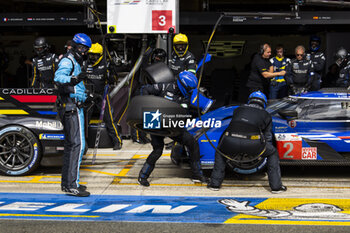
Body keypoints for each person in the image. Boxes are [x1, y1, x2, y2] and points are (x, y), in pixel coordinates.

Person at [138, 71, 208, 186]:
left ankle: (197, 174)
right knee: (157, 150)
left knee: (192, 143)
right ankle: (142, 176)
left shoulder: (187, 97)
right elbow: (144, 89)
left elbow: (186, 113)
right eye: (189, 88)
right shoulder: (164, 86)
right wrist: (149, 105)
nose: (191, 91)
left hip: (173, 124)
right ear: (183, 84)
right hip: (156, 121)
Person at [208, 91, 286, 194]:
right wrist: (265, 148)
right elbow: (268, 137)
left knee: (220, 152)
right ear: (264, 103)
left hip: (231, 141)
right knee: (272, 152)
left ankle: (215, 184)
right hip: (252, 144)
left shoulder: (238, 109)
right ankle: (276, 187)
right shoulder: (266, 115)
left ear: (250, 100)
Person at [54, 33, 92, 197]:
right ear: (75, 46)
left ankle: (69, 183)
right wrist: (76, 78)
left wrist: (87, 96)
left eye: (86, 49)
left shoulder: (75, 61)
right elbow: (59, 77)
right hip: (71, 108)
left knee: (72, 146)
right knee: (78, 145)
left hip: (74, 106)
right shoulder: (68, 60)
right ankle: (72, 185)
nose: (83, 52)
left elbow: (76, 87)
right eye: (82, 48)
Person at [85, 43, 122, 150]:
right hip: (89, 96)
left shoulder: (105, 65)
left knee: (110, 119)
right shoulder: (85, 64)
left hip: (102, 96)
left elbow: (114, 80)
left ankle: (117, 141)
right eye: (90, 55)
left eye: (95, 55)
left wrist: (112, 71)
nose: (92, 58)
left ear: (100, 55)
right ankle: (84, 143)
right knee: (84, 120)